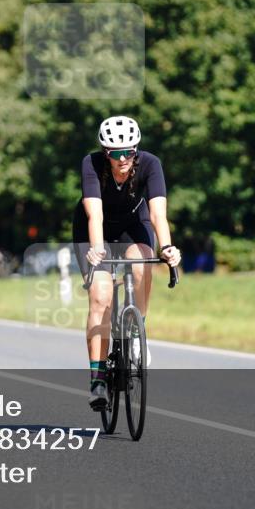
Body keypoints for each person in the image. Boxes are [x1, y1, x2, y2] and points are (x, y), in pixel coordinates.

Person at [72, 116, 181, 410]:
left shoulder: (150, 164)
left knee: (142, 263)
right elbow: (95, 215)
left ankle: (136, 332)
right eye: (115, 154)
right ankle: (97, 378)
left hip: (133, 225)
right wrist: (96, 250)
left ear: (136, 150)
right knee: (101, 296)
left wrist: (168, 247)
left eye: (128, 152)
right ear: (105, 153)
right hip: (95, 230)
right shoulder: (91, 165)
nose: (122, 160)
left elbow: (158, 214)